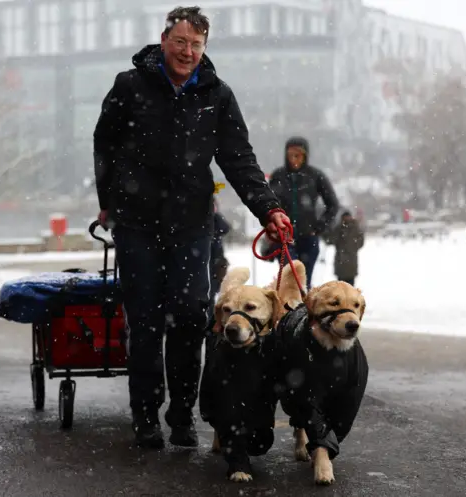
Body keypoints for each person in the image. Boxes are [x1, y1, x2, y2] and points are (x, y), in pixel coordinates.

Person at [93, 6, 290, 449]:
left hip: (190, 224)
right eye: (180, 42)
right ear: (164, 41)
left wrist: (268, 209)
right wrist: (108, 202)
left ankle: (181, 415)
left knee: (190, 316)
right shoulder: (130, 85)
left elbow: (239, 158)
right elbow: (103, 143)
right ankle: (145, 416)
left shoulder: (216, 94)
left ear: (205, 47)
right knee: (144, 322)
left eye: (196, 44)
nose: (187, 52)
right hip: (137, 223)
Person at [268, 137, 339, 288]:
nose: (294, 159)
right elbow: (268, 204)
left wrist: (319, 227)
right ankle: (289, 309)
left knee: (304, 283)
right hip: (285, 238)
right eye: (290, 154)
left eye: (298, 155)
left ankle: (304, 310)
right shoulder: (278, 176)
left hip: (309, 238)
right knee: (290, 280)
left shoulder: (315, 176)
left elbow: (333, 205)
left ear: (305, 156)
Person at [323, 210, 365, 286]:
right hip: (341, 261)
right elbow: (330, 240)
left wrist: (352, 248)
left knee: (350, 286)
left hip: (350, 260)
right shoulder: (339, 228)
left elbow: (361, 242)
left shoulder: (355, 228)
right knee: (341, 287)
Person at [209, 198, 231, 311]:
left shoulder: (217, 222)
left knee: (212, 293)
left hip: (216, 264)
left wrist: (215, 214)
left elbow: (225, 228)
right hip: (205, 263)